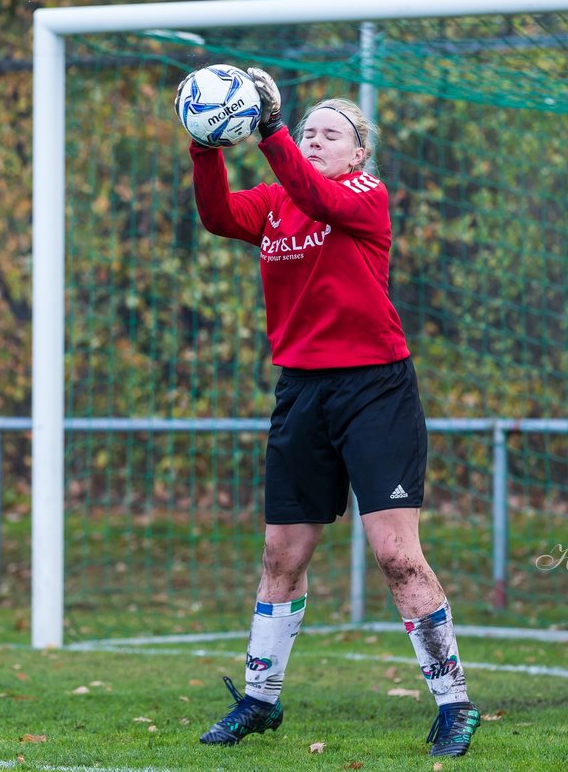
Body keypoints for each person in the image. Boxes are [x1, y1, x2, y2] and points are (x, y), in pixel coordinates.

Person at [181, 66, 480, 758]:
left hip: (375, 390)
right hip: (303, 393)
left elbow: (315, 196)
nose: (314, 140)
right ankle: (260, 702)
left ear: (358, 154)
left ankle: (454, 703)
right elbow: (218, 216)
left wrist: (273, 132)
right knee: (280, 555)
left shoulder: (364, 195)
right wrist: (205, 146)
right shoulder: (275, 204)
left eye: (329, 133)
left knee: (397, 556)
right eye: (306, 130)